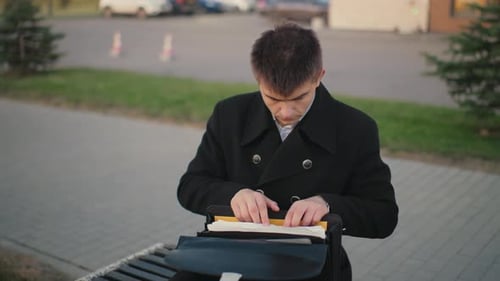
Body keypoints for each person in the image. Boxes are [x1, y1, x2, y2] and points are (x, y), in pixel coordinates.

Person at [177, 22, 398, 281]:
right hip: (229, 254)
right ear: (258, 80)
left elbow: (383, 216)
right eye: (273, 99)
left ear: (319, 76)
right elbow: (189, 187)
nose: (286, 112)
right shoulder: (230, 114)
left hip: (309, 265)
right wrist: (233, 195)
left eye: (298, 98)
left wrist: (328, 204)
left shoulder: (355, 128)